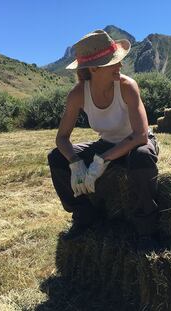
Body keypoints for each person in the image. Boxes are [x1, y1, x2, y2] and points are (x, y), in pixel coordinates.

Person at [47, 30, 159, 249]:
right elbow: (61, 138)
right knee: (56, 158)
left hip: (134, 142)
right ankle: (84, 214)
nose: (120, 66)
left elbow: (141, 135)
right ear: (94, 68)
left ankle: (147, 230)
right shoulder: (78, 94)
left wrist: (102, 160)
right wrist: (75, 162)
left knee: (142, 157)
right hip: (107, 144)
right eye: (113, 62)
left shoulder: (127, 86)